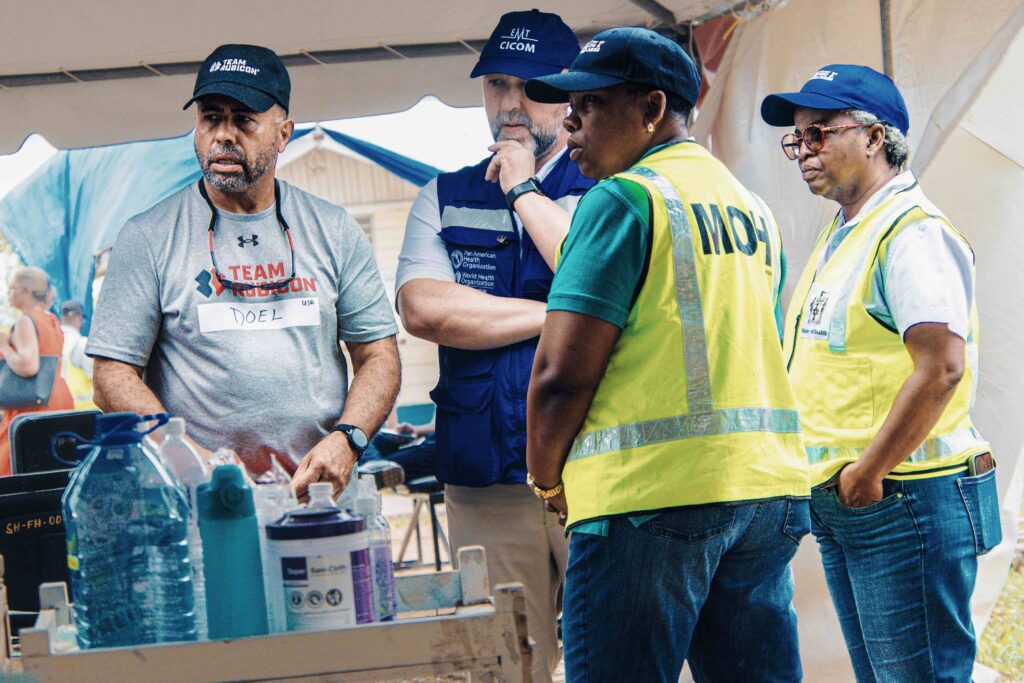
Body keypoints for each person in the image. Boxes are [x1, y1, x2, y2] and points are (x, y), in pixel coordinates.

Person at [524, 28, 810, 682]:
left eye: (590, 103)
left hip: (649, 501)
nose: (569, 121)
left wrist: (547, 479)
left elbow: (560, 375)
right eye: (569, 106)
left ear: (653, 108)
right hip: (764, 496)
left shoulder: (623, 199)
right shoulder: (752, 209)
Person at [761, 65, 1000, 681]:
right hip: (861, 499)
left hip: (901, 497)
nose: (803, 151)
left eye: (818, 133)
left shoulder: (912, 234)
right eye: (797, 138)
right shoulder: (848, 231)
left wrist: (867, 474)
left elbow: (942, 368)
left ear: (873, 137)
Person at [86, 44, 401, 500]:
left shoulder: (333, 229)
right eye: (211, 118)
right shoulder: (149, 236)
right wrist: (194, 462)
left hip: (322, 490)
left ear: (284, 133)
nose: (223, 135)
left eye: (244, 120)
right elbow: (111, 376)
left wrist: (347, 440)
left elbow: (377, 355)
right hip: (202, 497)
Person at [395, 10, 592, 681]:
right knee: (506, 665)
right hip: (485, 477)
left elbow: (589, 274)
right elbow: (424, 309)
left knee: (614, 658)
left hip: (593, 471)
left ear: (571, 96)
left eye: (531, 87)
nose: (510, 104)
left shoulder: (610, 189)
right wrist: (558, 313)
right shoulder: (444, 194)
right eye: (497, 84)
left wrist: (523, 187)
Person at [0, 267, 74, 474]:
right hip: (57, 396)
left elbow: (28, 365)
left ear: (26, 291)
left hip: (32, 403)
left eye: (11, 288)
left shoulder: (26, 320)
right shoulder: (51, 320)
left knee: (11, 470)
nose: (8, 293)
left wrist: (4, 345)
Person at [59, 299, 96, 410]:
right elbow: (95, 376)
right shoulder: (81, 344)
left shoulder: (54, 341)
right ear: (80, 318)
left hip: (57, 408)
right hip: (83, 410)